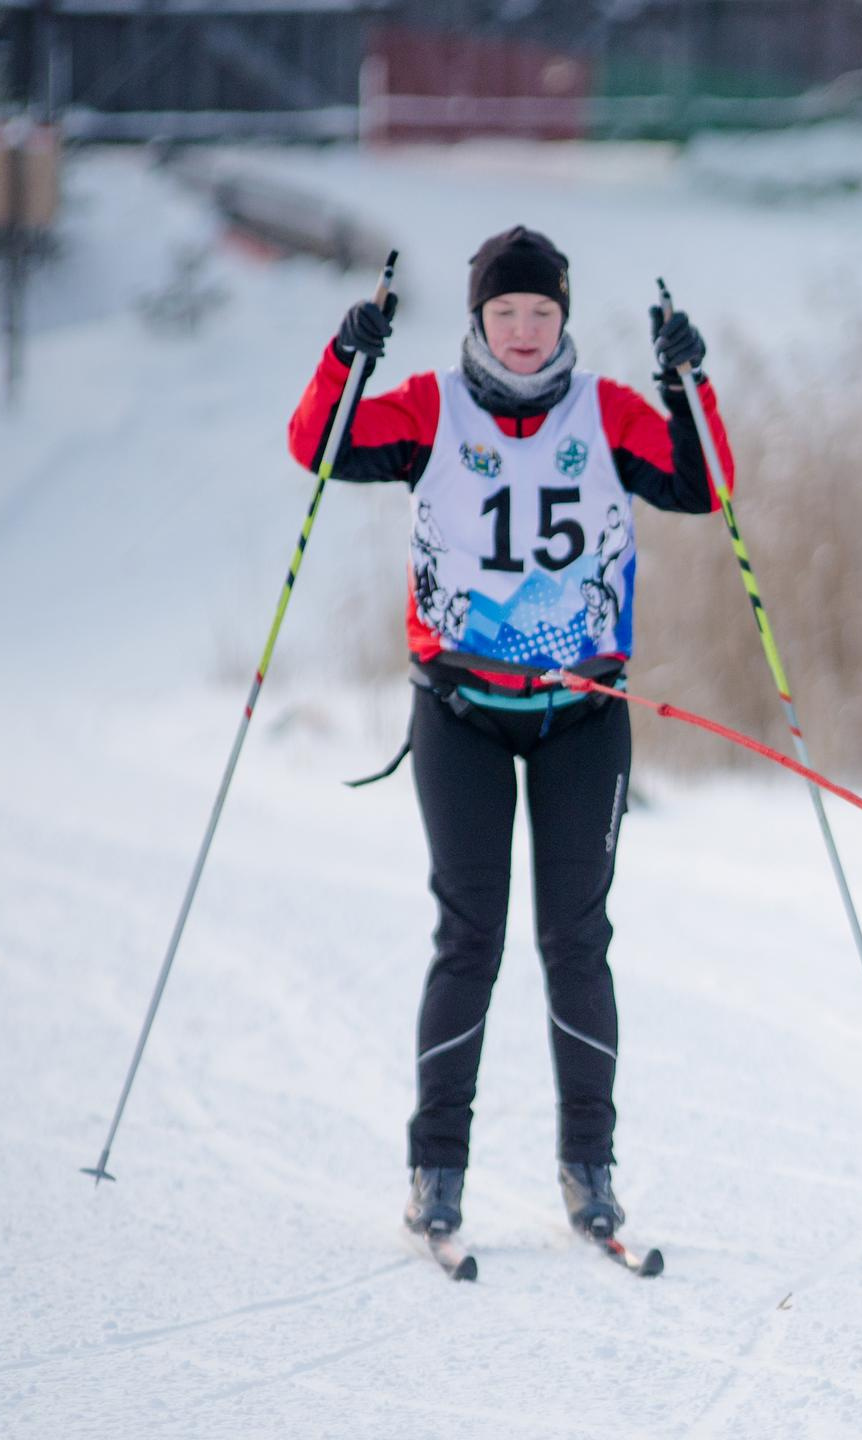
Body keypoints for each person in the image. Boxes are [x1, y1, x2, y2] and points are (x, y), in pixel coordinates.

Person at [286, 226, 731, 1249]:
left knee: (577, 941)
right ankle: (435, 1172)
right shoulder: (431, 411)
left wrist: (685, 380)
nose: (525, 332)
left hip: (582, 712)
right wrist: (347, 358)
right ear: (478, 319)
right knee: (468, 939)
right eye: (505, 313)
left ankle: (590, 1168)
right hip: (461, 713)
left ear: (563, 318)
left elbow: (703, 482)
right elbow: (319, 447)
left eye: (541, 313)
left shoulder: (608, 411)